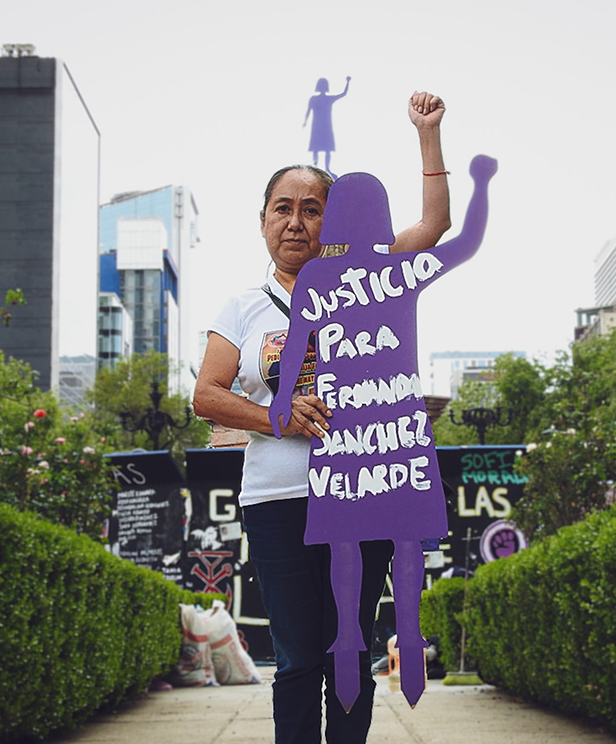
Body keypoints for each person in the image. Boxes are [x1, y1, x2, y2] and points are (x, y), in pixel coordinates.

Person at [193, 90, 451, 744]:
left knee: (349, 651)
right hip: (276, 498)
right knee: (300, 655)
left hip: (357, 494)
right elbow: (207, 395)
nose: (297, 221)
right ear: (262, 222)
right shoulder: (243, 307)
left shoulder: (364, 279)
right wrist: (277, 418)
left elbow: (435, 228)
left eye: (313, 210)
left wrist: (428, 134)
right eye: (284, 208)